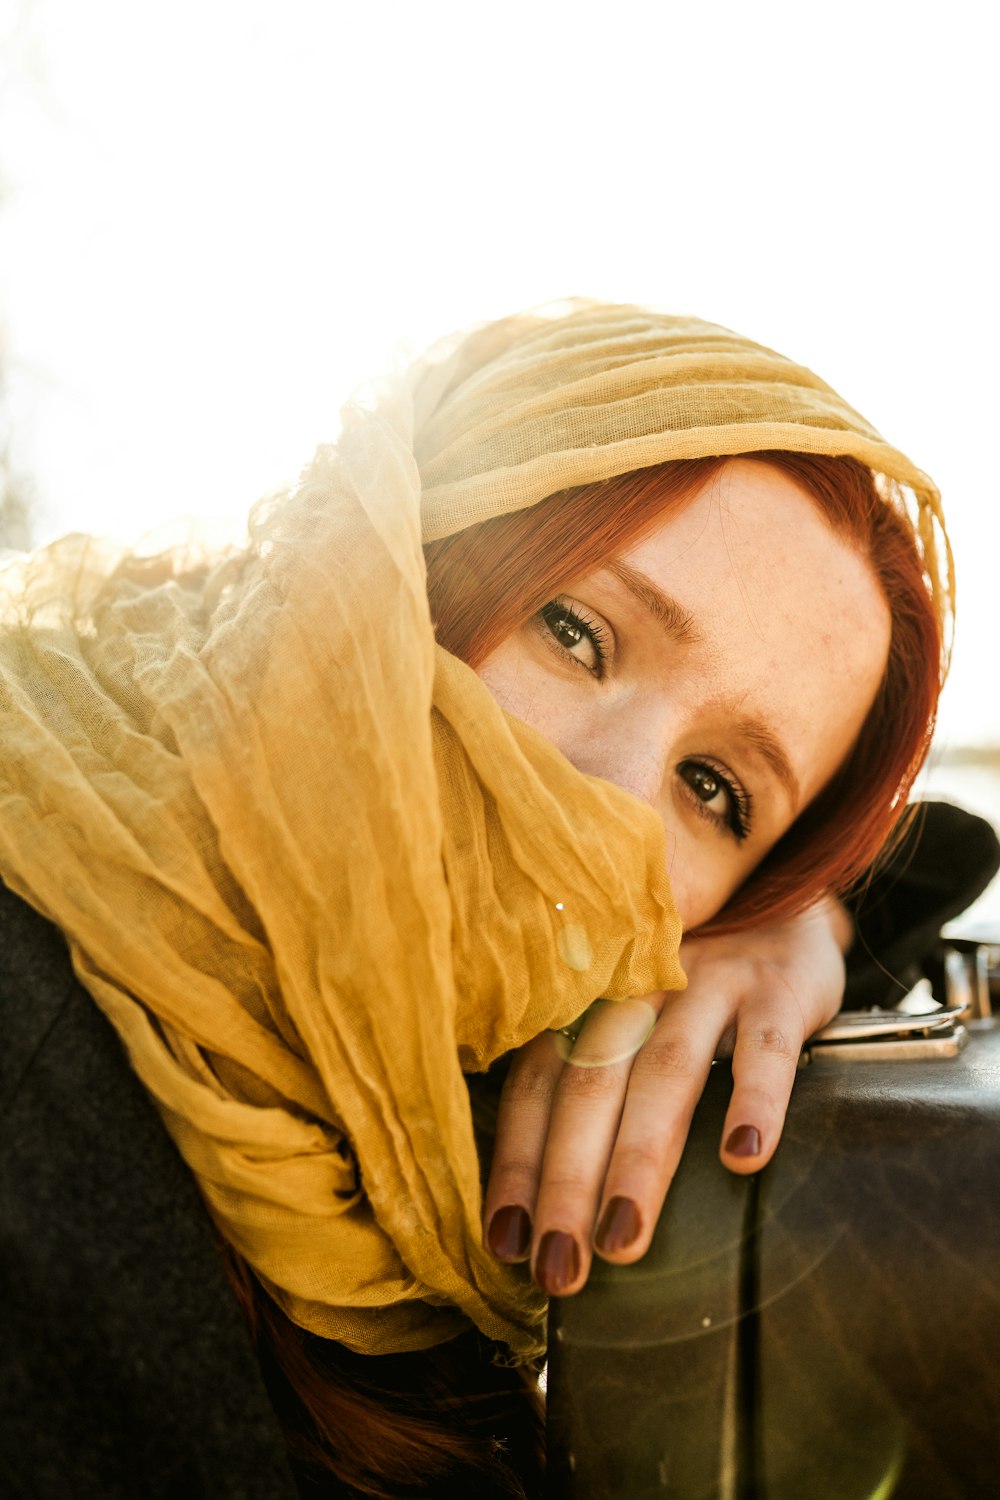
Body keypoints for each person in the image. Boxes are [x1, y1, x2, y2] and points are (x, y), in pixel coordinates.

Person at [0, 302, 956, 1497]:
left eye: (713, 790)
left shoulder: (454, 1131)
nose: (607, 797)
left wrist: (798, 927)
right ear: (386, 554)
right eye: (575, 632)